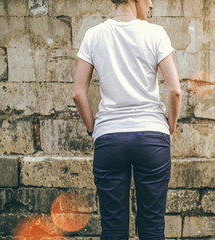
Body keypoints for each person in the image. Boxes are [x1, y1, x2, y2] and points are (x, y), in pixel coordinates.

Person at [72, 0, 181, 239]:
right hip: (152, 136)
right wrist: (170, 127)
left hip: (109, 137)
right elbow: (175, 91)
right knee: (152, 225)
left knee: (112, 227)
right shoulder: (155, 33)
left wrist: (94, 130)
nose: (151, 5)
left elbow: (78, 93)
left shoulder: (94, 35)